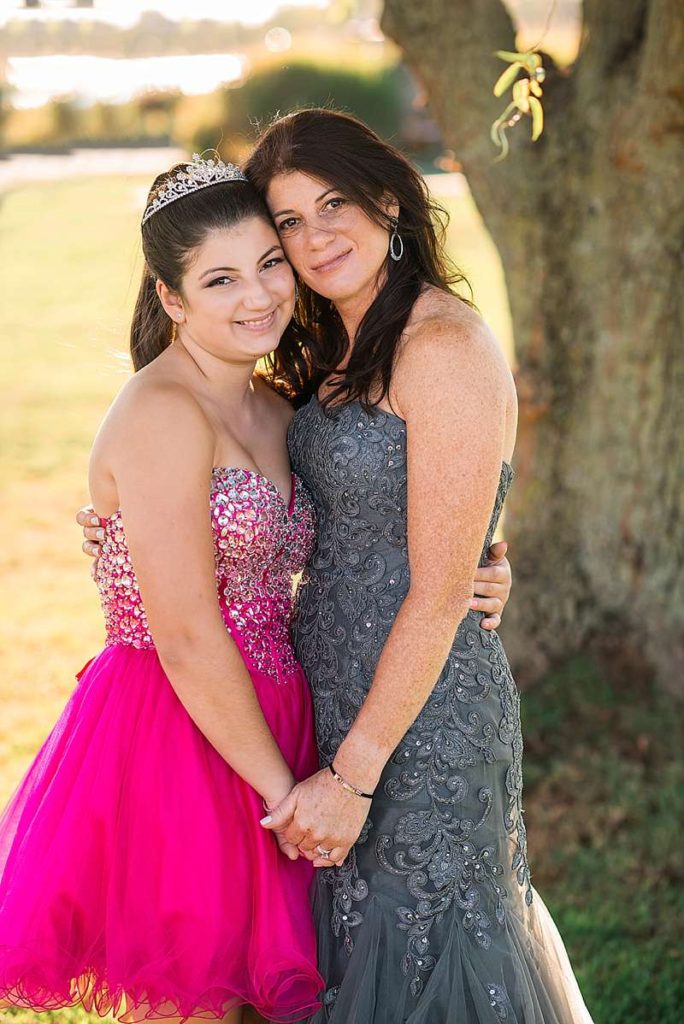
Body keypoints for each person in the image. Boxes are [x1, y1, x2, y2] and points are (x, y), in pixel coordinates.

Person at [242, 109, 594, 1023]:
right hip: (330, 701)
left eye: (332, 204)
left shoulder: (441, 346)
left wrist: (353, 779)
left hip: (421, 726)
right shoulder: (332, 345)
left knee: (428, 960)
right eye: (287, 220)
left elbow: (438, 595)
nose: (315, 236)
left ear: (388, 199)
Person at [0, 155, 325, 1023]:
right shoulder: (159, 414)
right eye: (220, 279)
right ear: (171, 298)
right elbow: (184, 632)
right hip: (177, 732)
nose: (257, 295)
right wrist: (283, 796)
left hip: (280, 709)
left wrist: (483, 567)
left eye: (268, 263)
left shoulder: (276, 408)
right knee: (190, 997)